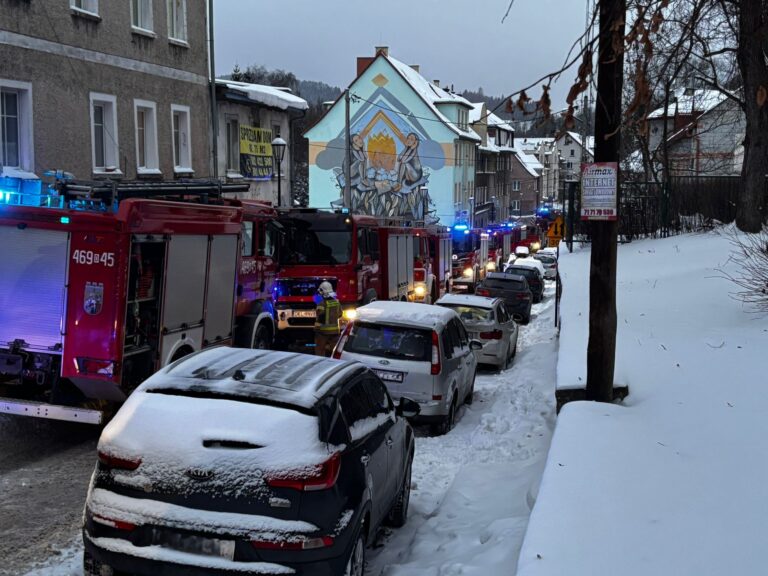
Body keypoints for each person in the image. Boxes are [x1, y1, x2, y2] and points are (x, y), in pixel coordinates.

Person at [314, 281, 341, 357]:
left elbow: (319, 314)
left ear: (322, 291)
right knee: (334, 351)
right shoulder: (337, 302)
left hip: (322, 331)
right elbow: (340, 314)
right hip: (335, 331)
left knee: (320, 351)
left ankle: (321, 363)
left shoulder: (321, 303)